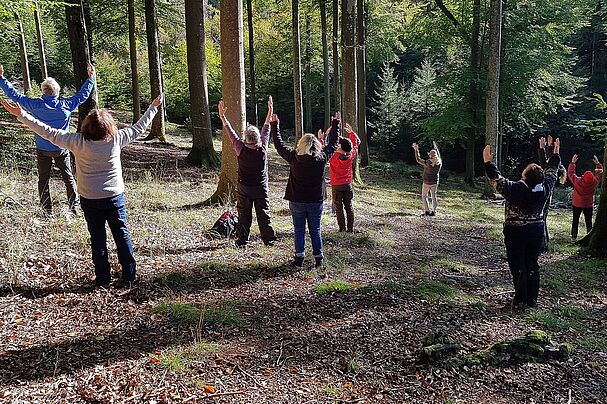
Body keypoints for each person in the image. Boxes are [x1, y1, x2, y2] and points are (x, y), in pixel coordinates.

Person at [2, 94, 164, 288]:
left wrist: (22, 115)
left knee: (97, 238)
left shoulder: (76, 141)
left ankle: (103, 280)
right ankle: (129, 275)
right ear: (109, 126)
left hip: (89, 199)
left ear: (85, 125)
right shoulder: (116, 139)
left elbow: (47, 132)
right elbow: (139, 127)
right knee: (121, 234)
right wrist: (153, 106)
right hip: (114, 198)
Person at [0, 64, 96, 215]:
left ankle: (47, 210)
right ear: (57, 92)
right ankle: (74, 208)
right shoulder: (66, 105)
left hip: (43, 149)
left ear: (43, 91)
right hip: (61, 148)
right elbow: (83, 95)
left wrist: (1, 79)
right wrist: (91, 78)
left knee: (43, 179)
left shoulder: (35, 105)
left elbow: (15, 95)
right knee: (68, 178)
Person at [483, 141, 561, 308]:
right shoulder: (544, 189)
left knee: (518, 264)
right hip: (536, 230)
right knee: (532, 263)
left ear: (524, 176)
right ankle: (532, 299)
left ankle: (520, 300)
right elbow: (552, 173)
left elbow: (496, 178)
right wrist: (555, 155)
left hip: (515, 232)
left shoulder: (515, 189)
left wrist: (488, 162)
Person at [271, 110, 340, 269]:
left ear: (300, 144)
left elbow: (279, 145)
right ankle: (318, 257)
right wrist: (336, 124)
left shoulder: (293, 157)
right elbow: (334, 143)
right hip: (315, 201)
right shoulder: (321, 158)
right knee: (315, 229)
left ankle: (299, 257)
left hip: (297, 201)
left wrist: (275, 125)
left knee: (299, 230)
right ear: (317, 145)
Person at [218, 96, 277, 248]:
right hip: (260, 188)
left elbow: (230, 133)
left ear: (246, 138)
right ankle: (269, 240)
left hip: (244, 188)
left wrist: (223, 117)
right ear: (257, 138)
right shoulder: (262, 147)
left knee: (244, 215)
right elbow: (266, 127)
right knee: (264, 214)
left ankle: (242, 241)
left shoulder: (240, 148)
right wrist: (270, 111)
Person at [327, 122, 359, 232]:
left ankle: (342, 229)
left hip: (336, 185)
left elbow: (323, 150)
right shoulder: (351, 154)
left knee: (339, 208)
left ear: (340, 146)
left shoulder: (334, 156)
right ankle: (350, 229)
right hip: (347, 184)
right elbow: (355, 144)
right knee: (349, 206)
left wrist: (324, 137)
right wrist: (351, 133)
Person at [537, 135, 567, 251]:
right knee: (542, 218)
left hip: (545, 195)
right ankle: (544, 242)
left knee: (541, 218)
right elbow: (546, 163)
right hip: (544, 194)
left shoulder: (554, 172)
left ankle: (543, 245)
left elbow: (548, 164)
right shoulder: (550, 171)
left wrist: (554, 153)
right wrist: (545, 148)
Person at [567, 153, 603, 240]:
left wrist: (573, 163)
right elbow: (600, 173)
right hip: (588, 205)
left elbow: (570, 173)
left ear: (583, 177)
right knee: (588, 221)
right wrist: (597, 163)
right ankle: (589, 237)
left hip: (577, 204)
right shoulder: (594, 182)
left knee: (575, 221)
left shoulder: (578, 181)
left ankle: (574, 237)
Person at [412, 141, 442, 216]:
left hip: (426, 182)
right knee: (433, 196)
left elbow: (418, 159)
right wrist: (436, 147)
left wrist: (416, 150)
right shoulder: (439, 163)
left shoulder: (427, 163)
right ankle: (433, 212)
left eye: (429, 154)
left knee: (424, 196)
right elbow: (438, 155)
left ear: (430, 156)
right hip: (434, 182)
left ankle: (427, 211)